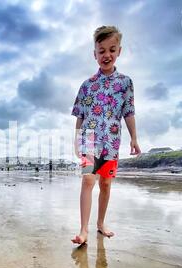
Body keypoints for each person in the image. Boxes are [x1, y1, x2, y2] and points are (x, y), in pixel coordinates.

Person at [71, 26, 141, 245]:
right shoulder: (87, 85)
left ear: (119, 51)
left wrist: (134, 138)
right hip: (89, 138)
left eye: (111, 49)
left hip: (112, 141)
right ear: (95, 54)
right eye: (101, 51)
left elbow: (128, 112)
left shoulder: (125, 83)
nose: (106, 55)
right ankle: (83, 230)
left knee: (106, 185)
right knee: (88, 180)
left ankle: (100, 223)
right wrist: (77, 139)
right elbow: (80, 115)